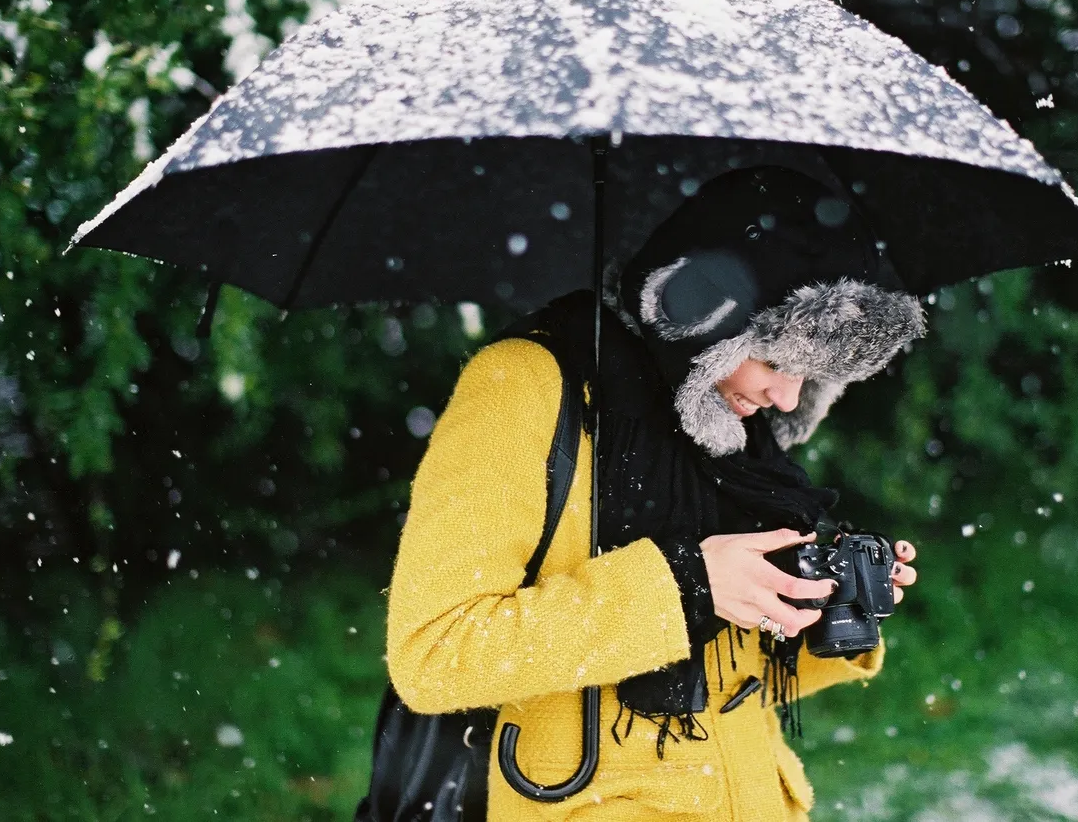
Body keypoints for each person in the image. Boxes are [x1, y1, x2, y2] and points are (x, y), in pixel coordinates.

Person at [385, 165, 926, 820]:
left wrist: (818, 605)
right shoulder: (522, 386)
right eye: (779, 362)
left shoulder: (731, 430)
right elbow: (436, 654)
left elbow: (730, 683)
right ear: (704, 312)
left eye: (815, 375)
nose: (786, 397)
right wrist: (684, 584)